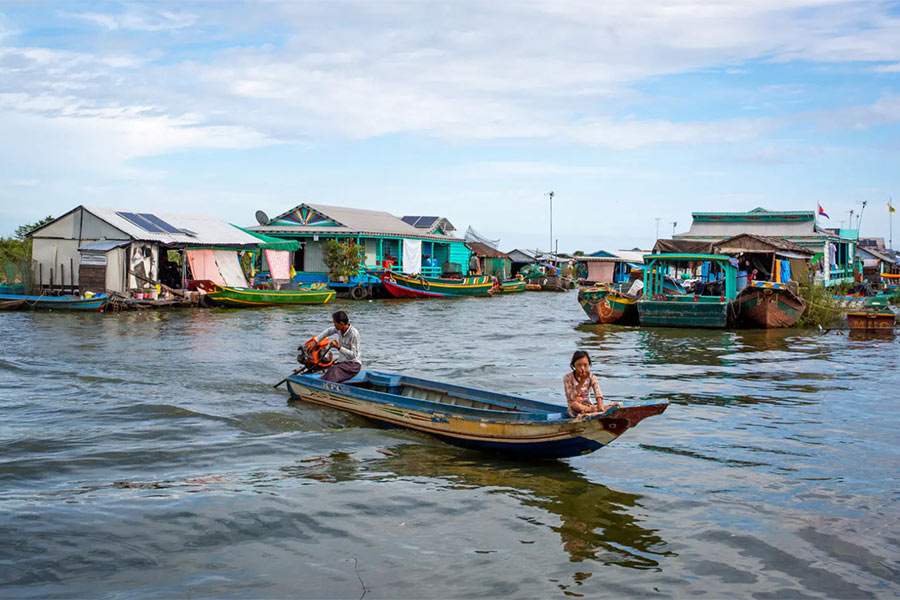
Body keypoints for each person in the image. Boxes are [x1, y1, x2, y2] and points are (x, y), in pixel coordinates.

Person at [305, 310, 362, 383]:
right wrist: (315, 341)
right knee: (330, 368)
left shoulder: (354, 334)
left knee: (334, 370)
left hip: (353, 365)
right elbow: (328, 331)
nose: (334, 325)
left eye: (335, 323)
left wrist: (338, 347)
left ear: (341, 324)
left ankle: (326, 390)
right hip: (342, 362)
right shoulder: (339, 329)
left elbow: (354, 355)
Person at [563, 350, 620, 418]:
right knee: (575, 405)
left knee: (605, 405)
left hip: (589, 406)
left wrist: (600, 405)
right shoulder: (568, 377)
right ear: (573, 365)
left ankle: (597, 409)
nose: (582, 368)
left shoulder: (591, 377)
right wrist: (582, 382)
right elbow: (572, 398)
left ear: (589, 365)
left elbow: (597, 391)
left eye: (585, 365)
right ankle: (596, 410)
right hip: (574, 409)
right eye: (579, 365)